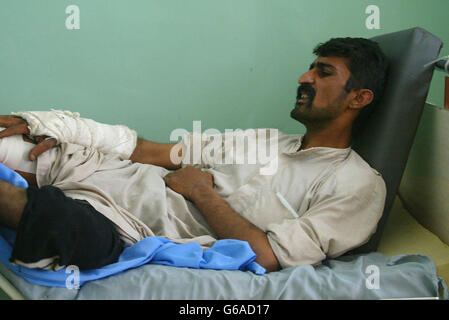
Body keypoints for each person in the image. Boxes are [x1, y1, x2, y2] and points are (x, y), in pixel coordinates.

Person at [0, 37, 389, 273]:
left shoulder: (357, 184)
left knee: (61, 221)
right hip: (111, 175)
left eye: (323, 73)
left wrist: (202, 192)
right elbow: (147, 151)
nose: (304, 78)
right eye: (309, 70)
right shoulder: (266, 140)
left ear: (359, 97)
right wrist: (60, 127)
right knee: (17, 137)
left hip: (120, 225)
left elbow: (269, 257)